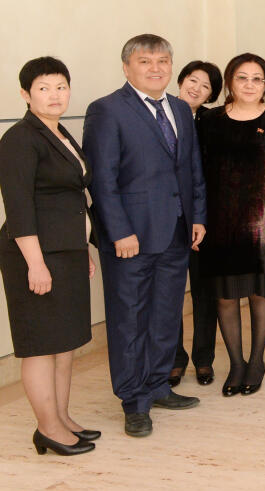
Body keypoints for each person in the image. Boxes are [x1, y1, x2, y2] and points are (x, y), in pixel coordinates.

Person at [84, 34, 207, 438]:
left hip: (175, 230)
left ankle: (157, 384)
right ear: (126, 67)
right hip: (130, 238)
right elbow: (102, 179)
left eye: (163, 61)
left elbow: (191, 170)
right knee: (129, 319)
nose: (156, 68)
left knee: (166, 314)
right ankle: (134, 401)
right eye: (145, 61)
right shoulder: (106, 110)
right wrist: (119, 231)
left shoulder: (179, 109)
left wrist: (197, 217)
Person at [0, 58, 99, 456]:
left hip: (66, 252)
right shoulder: (20, 138)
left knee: (65, 342)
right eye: (44, 87)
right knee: (41, 344)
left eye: (61, 86)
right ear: (25, 94)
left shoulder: (59, 133)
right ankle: (48, 428)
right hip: (35, 255)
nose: (55, 94)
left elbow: (72, 197)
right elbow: (19, 206)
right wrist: (36, 264)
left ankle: (62, 417)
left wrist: (83, 247)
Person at [196, 54, 265, 397]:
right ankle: (236, 364)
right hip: (220, 225)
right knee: (226, 298)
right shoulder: (209, 121)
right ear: (230, 82)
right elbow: (196, 174)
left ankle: (255, 362)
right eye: (243, 78)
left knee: (260, 294)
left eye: (258, 79)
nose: (250, 85)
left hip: (264, 225)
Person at [168, 60, 223, 388]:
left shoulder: (212, 122)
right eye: (192, 80)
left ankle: (204, 359)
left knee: (205, 294)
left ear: (212, 94)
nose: (197, 89)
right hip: (169, 220)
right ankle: (174, 360)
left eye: (205, 86)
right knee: (170, 294)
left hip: (205, 220)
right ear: (181, 80)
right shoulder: (162, 113)